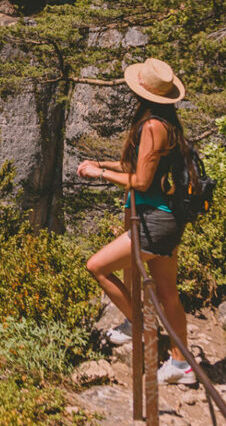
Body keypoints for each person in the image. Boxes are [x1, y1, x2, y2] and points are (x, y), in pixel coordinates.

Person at [77, 57, 197, 386]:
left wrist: (99, 173)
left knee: (97, 266)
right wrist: (101, 161)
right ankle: (181, 364)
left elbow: (141, 180)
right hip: (165, 217)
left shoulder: (152, 126)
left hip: (153, 222)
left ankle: (141, 326)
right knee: (168, 293)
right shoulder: (165, 123)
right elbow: (136, 164)